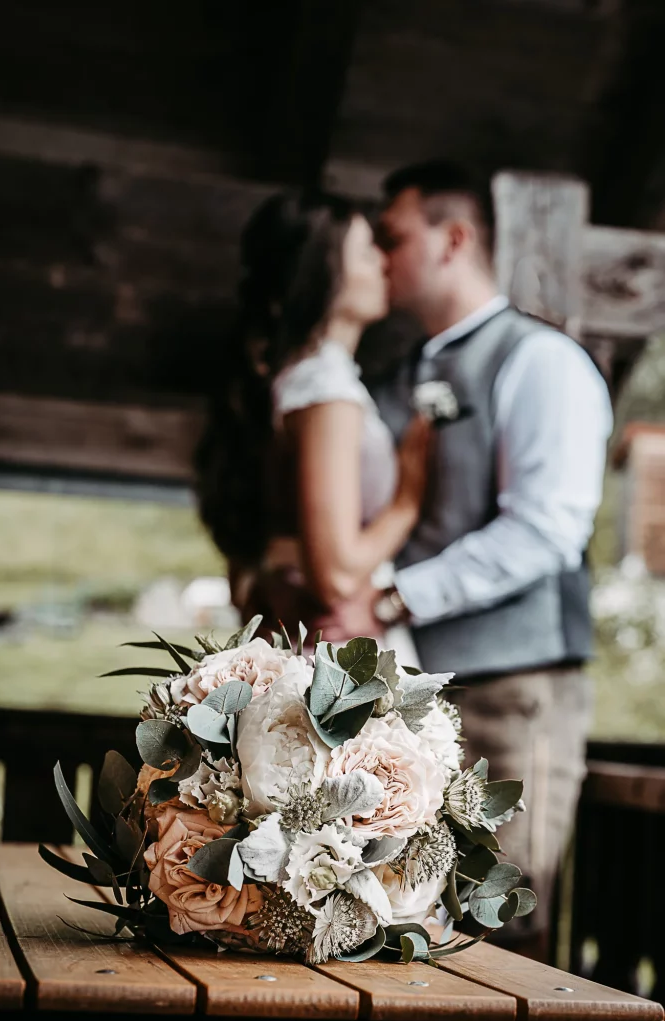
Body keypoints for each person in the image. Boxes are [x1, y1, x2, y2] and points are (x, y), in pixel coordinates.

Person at [372, 161, 613, 960]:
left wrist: (395, 595)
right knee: (400, 914)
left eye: (393, 237)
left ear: (453, 239)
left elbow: (546, 527)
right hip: (411, 690)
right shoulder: (399, 374)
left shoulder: (542, 361)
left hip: (515, 690)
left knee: (500, 915)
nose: (380, 256)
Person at [195, 190, 429, 651]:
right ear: (326, 274)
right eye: (366, 252)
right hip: (335, 651)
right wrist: (409, 495)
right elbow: (337, 576)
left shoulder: (289, 381)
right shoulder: (326, 390)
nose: (384, 262)